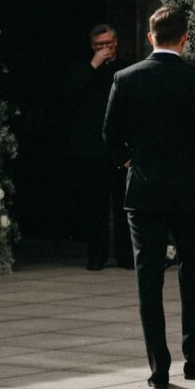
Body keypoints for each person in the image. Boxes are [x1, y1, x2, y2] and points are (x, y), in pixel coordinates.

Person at [103, 4, 195, 389]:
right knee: (191, 272)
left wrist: (129, 162)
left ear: (151, 37)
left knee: (148, 279)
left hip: (144, 190)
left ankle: (158, 368)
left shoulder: (125, 78)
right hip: (189, 191)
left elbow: (109, 135)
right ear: (185, 38)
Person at [65, 23, 132, 271]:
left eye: (108, 44)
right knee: (95, 206)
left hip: (120, 148)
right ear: (92, 46)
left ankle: (126, 256)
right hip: (91, 147)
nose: (104, 49)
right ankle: (97, 256)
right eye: (99, 45)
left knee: (125, 204)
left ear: (116, 43)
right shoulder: (82, 69)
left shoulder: (127, 68)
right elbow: (68, 95)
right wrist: (93, 65)